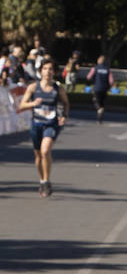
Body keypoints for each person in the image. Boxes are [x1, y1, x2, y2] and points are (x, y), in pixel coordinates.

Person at [18, 57, 68, 195]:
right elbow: (22, 105)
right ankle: (42, 180)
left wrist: (64, 115)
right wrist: (33, 104)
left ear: (55, 72)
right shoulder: (33, 87)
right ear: (41, 71)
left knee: (45, 151)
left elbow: (66, 104)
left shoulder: (58, 89)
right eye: (45, 69)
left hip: (51, 124)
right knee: (39, 155)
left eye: (51, 69)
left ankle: (46, 181)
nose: (48, 72)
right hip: (37, 124)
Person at [86, 54, 113, 123]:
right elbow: (111, 81)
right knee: (103, 101)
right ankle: (101, 110)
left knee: (96, 100)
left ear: (98, 61)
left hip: (97, 87)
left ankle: (99, 109)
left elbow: (88, 77)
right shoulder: (108, 69)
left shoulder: (95, 68)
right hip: (105, 88)